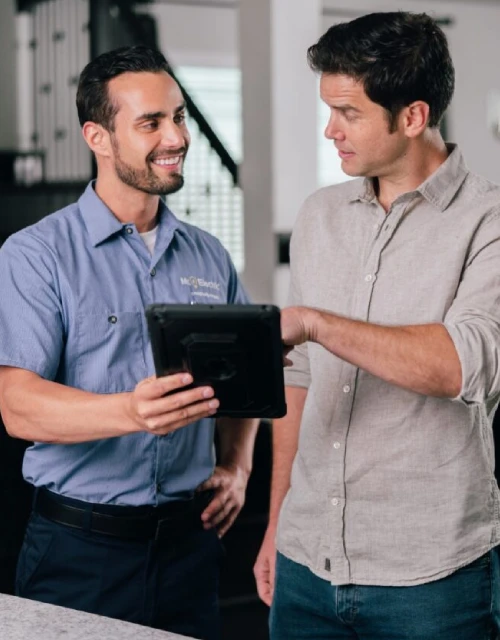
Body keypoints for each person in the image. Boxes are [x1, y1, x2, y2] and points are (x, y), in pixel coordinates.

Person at [254, 11, 500, 640]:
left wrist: (312, 321)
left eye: (349, 112)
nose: (330, 130)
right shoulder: (320, 215)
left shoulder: (488, 222)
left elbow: (459, 364)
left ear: (413, 117)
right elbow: (300, 382)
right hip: (306, 561)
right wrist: (277, 521)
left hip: (431, 579)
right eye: (328, 109)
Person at [0, 45, 259, 640]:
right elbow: (17, 405)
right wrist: (130, 412)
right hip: (78, 553)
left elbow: (249, 374)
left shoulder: (208, 254)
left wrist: (238, 466)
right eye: (151, 123)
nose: (176, 136)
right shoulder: (37, 255)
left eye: (180, 116)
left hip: (191, 548)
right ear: (98, 137)